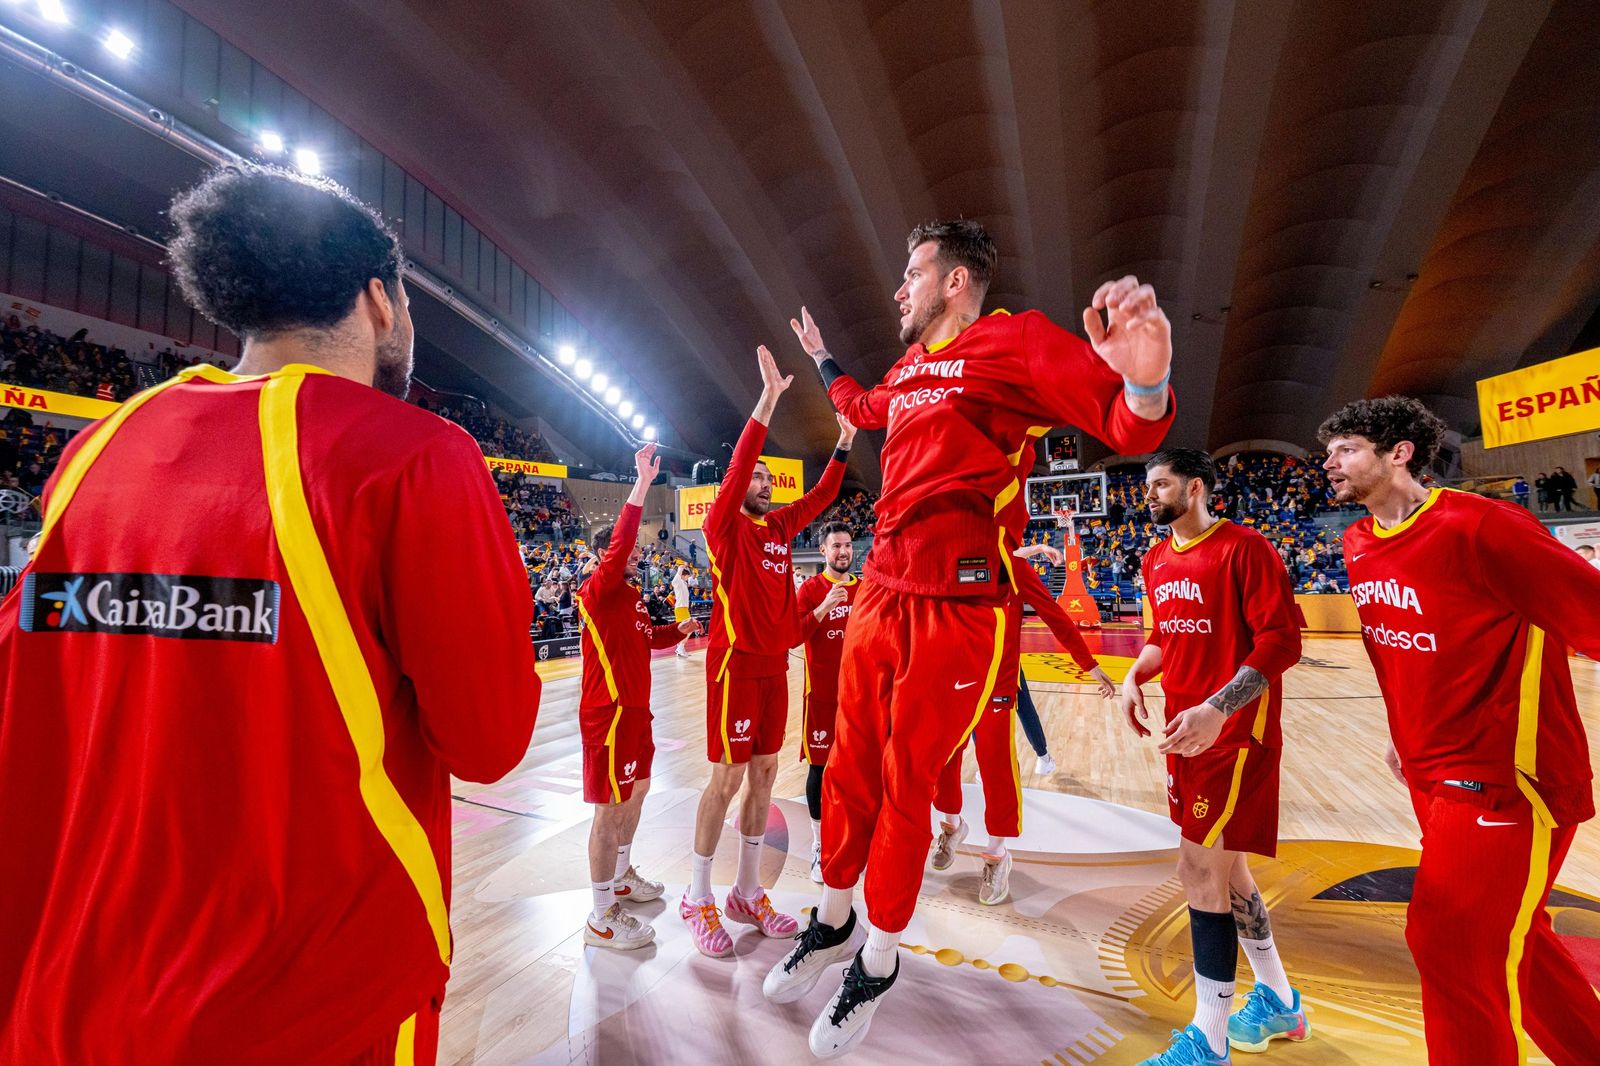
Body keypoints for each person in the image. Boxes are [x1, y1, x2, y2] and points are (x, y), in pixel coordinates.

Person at [0, 166, 539, 1064]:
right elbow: (489, 739)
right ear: (381, 301)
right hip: (306, 1005)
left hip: (72, 995)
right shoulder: (414, 457)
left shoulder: (98, 448)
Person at [767, 219, 1174, 1057]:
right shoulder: (911, 367)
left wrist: (1144, 383)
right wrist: (823, 360)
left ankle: (878, 959)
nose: (897, 289)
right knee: (846, 767)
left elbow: (1124, 424)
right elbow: (862, 409)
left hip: (960, 608)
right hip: (883, 589)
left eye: (911, 273)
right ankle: (833, 919)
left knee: (906, 781)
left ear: (955, 281)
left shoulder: (1013, 344)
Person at [1321, 396, 1600, 1065]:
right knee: (1512, 938)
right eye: (1327, 453)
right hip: (1430, 775)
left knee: (1448, 942)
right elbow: (1393, 649)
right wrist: (1400, 729)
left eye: (1347, 449)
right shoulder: (1357, 542)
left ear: (1400, 452)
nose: (1330, 463)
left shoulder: (1483, 527)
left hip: (1508, 777)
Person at [1122, 448, 1305, 1066]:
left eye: (1161, 483)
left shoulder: (1245, 549)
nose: (1149, 494)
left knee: (1199, 870)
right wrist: (1134, 675)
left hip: (1232, 736)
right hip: (1186, 734)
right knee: (1229, 873)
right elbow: (1164, 638)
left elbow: (1282, 641)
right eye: (1147, 485)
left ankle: (1211, 1035)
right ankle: (1280, 1001)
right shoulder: (1153, 558)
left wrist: (1219, 709)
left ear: (1196, 486)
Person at [681, 346, 853, 957]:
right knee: (724, 780)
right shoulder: (723, 529)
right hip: (733, 669)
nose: (762, 482)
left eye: (765, 478)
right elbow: (738, 467)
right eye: (754, 475)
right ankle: (697, 895)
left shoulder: (781, 529)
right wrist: (769, 399)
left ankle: (746, 893)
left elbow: (823, 498)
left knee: (764, 776)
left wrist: (844, 442)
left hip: (773, 671)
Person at [929, 546, 1115, 907]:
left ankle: (997, 854)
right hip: (953, 681)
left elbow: (1055, 615)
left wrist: (1089, 664)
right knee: (944, 761)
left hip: (998, 685)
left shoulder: (1013, 568)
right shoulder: (950, 559)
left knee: (996, 767)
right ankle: (952, 827)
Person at [576, 444, 699, 951]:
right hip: (607, 716)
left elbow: (650, 640)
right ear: (614, 555)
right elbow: (624, 533)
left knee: (639, 790)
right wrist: (643, 484)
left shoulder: (633, 598)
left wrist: (680, 630)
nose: (640, 555)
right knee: (608, 810)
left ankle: (623, 876)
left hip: (637, 714)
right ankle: (602, 914)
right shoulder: (599, 588)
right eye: (630, 552)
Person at [791, 520, 860, 883]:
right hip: (821, 698)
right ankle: (819, 846)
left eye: (847, 545)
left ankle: (855, 840)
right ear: (823, 551)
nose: (843, 551)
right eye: (836, 546)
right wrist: (823, 609)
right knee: (819, 770)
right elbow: (791, 637)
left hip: (861, 699)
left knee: (860, 772)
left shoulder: (864, 589)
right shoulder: (811, 589)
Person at [672, 563, 694, 658]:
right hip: (680, 609)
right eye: (687, 576)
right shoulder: (678, 582)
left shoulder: (683, 583)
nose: (687, 578)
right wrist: (680, 568)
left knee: (687, 629)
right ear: (683, 575)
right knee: (688, 628)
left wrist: (687, 568)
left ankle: (680, 647)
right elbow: (675, 580)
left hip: (684, 608)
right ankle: (680, 647)